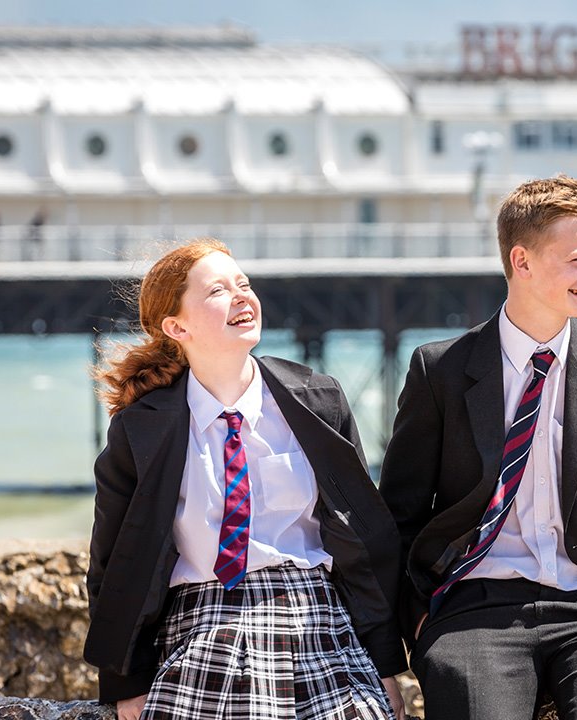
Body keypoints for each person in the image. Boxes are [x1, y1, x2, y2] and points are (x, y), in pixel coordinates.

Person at [378, 176, 577, 720]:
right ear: (523, 261)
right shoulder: (439, 369)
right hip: (473, 610)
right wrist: (416, 614)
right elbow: (400, 511)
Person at [84, 238, 407, 720]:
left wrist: (384, 663)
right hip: (202, 617)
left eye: (244, 284)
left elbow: (363, 540)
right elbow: (113, 561)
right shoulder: (140, 428)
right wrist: (124, 681)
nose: (241, 296)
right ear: (177, 325)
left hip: (315, 613)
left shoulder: (319, 401)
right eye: (218, 290)